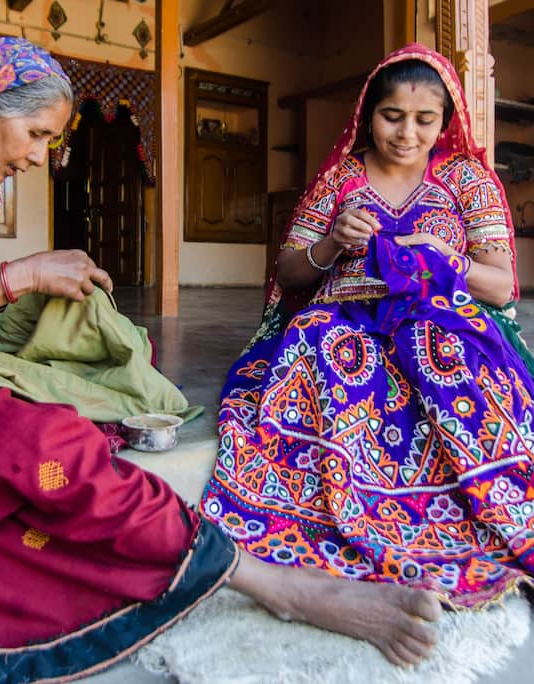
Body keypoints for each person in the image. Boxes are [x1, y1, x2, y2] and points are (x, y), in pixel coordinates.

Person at [0, 37, 442, 682]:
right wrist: (21, 276)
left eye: (48, 142)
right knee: (46, 445)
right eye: (34, 135)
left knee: (115, 353)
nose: (38, 156)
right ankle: (272, 584)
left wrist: (47, 291)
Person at [201, 41, 534, 628]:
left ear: (445, 121)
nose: (406, 133)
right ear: (367, 114)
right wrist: (331, 244)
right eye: (391, 116)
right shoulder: (341, 179)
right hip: (345, 318)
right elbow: (290, 272)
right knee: (320, 344)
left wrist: (442, 258)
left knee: (444, 354)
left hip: (440, 317)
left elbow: (502, 286)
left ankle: (457, 512)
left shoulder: (466, 179)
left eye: (424, 119)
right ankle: (349, 510)